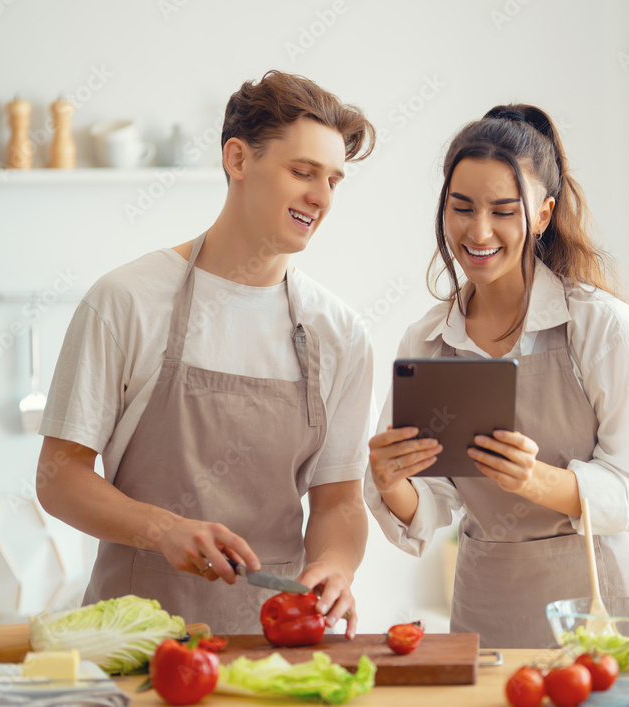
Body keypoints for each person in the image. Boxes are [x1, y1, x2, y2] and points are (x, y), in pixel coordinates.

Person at [36, 70, 376, 637]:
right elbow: (57, 477)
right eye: (302, 172)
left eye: (334, 180)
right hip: (136, 638)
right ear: (238, 160)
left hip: (277, 639)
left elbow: (340, 499)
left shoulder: (339, 333)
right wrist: (161, 528)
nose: (321, 197)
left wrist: (336, 567)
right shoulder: (125, 300)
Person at [365, 104, 629, 648]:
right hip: (486, 611)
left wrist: (534, 479)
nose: (478, 230)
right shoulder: (429, 343)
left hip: (598, 610)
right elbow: (433, 501)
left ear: (542, 214)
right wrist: (391, 480)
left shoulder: (600, 328)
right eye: (461, 207)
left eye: (504, 211)